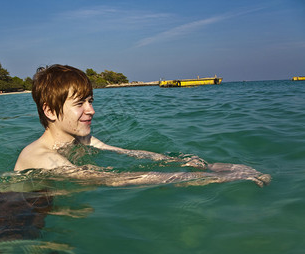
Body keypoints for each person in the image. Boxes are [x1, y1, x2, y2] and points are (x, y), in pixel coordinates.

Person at [15, 64, 270, 187]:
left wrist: (201, 164)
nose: (91, 110)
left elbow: (130, 155)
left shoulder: (81, 140)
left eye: (91, 101)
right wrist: (209, 179)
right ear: (49, 110)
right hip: (14, 215)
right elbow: (114, 179)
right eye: (80, 103)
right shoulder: (44, 158)